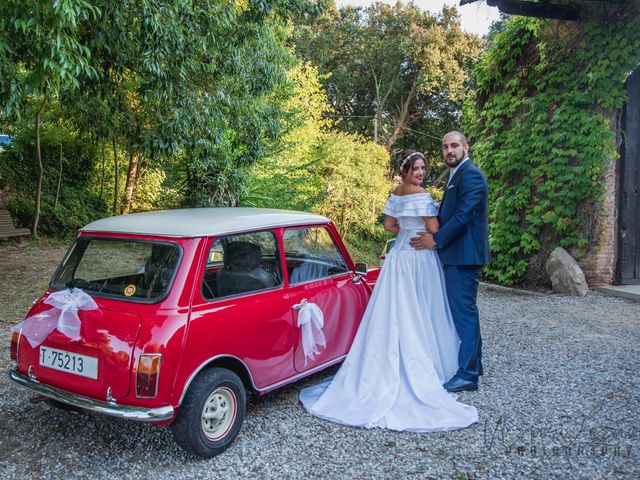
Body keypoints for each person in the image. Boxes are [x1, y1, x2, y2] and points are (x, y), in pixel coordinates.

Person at [298, 150, 478, 432]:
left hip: (399, 256)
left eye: (422, 168)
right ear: (406, 171)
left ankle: (384, 361)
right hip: (419, 259)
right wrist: (434, 216)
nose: (420, 173)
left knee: (395, 308)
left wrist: (406, 230)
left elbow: (390, 226)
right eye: (416, 168)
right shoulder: (422, 195)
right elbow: (434, 227)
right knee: (423, 306)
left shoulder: (396, 192)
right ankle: (429, 362)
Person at [410, 131, 490, 393]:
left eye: (454, 146)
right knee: (463, 311)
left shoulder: (472, 175)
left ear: (466, 147)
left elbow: (464, 215)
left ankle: (467, 375)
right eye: (445, 147)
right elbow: (451, 211)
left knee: (463, 312)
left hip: (463, 256)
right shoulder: (457, 175)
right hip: (456, 254)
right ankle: (473, 366)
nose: (449, 151)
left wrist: (435, 239)